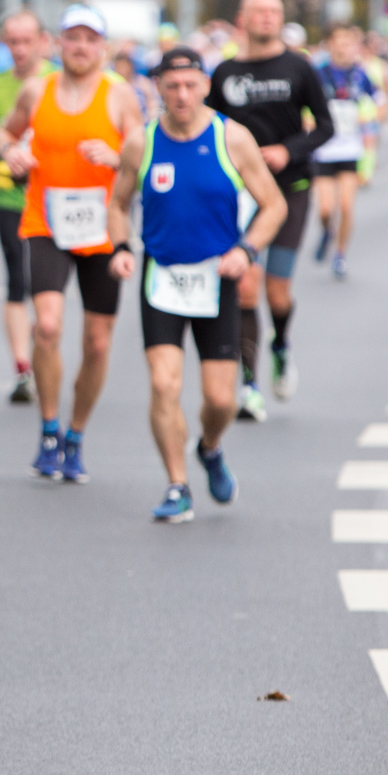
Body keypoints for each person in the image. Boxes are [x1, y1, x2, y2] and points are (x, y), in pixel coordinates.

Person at [106, 47, 287, 521]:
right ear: (159, 89)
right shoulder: (140, 143)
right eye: (172, 86)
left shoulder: (233, 139)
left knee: (221, 399)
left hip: (217, 276)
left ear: (205, 85)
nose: (181, 95)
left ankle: (208, 446)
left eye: (190, 85)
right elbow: (117, 203)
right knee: (164, 385)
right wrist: (121, 249)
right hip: (161, 276)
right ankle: (176, 484)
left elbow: (274, 205)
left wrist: (245, 252)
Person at [0, 3, 143, 483]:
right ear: (59, 44)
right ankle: (50, 429)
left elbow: (145, 160)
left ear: (103, 47)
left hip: (103, 228)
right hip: (47, 221)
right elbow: (3, 132)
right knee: (49, 328)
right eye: (72, 38)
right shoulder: (38, 89)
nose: (80, 47)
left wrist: (117, 156)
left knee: (97, 343)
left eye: (89, 39)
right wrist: (12, 151)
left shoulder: (121, 97)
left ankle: (76, 434)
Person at [206, 0, 333, 421]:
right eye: (259, 12)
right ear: (242, 18)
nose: (267, 18)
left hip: (288, 189)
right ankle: (249, 383)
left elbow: (326, 126)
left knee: (277, 292)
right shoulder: (225, 72)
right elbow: (209, 128)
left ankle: (281, 344)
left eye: (274, 12)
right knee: (245, 284)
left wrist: (288, 150)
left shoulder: (299, 67)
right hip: (241, 193)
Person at [0, 10, 55, 403]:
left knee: (45, 287)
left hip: (53, 197)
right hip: (10, 194)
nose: (20, 50)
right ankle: (23, 367)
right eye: (12, 42)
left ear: (43, 41)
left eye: (27, 41)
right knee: (16, 280)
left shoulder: (59, 82)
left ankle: (45, 353)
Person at [310, 25, 376, 280]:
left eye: (349, 42)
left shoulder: (360, 75)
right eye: (339, 41)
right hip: (324, 149)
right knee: (326, 209)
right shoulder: (318, 74)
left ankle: (340, 254)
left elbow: (376, 105)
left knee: (346, 205)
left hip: (351, 149)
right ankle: (327, 232)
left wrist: (365, 118)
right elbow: (306, 107)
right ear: (330, 44)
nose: (343, 47)